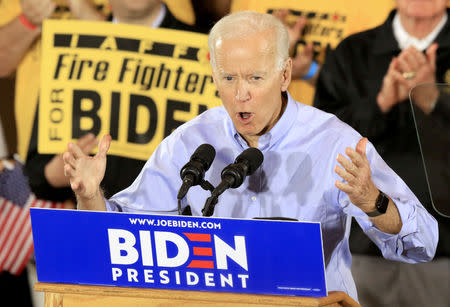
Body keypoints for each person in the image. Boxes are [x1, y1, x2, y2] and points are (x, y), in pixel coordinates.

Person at [62, 11, 438, 303]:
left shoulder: (335, 143)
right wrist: (89, 194)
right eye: (228, 79)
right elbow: (118, 240)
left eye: (255, 79)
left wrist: (372, 201)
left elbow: (423, 241)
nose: (240, 94)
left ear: (285, 73)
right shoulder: (191, 141)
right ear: (213, 73)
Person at [313, 0, 449, 306]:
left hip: (445, 253)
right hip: (360, 247)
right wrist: (380, 105)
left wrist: (434, 101)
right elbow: (321, 140)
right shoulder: (350, 53)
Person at [25, 0, 203, 203]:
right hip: (97, 223)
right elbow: (36, 173)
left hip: (181, 224)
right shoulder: (74, 50)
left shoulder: (207, 51)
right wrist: (56, 172)